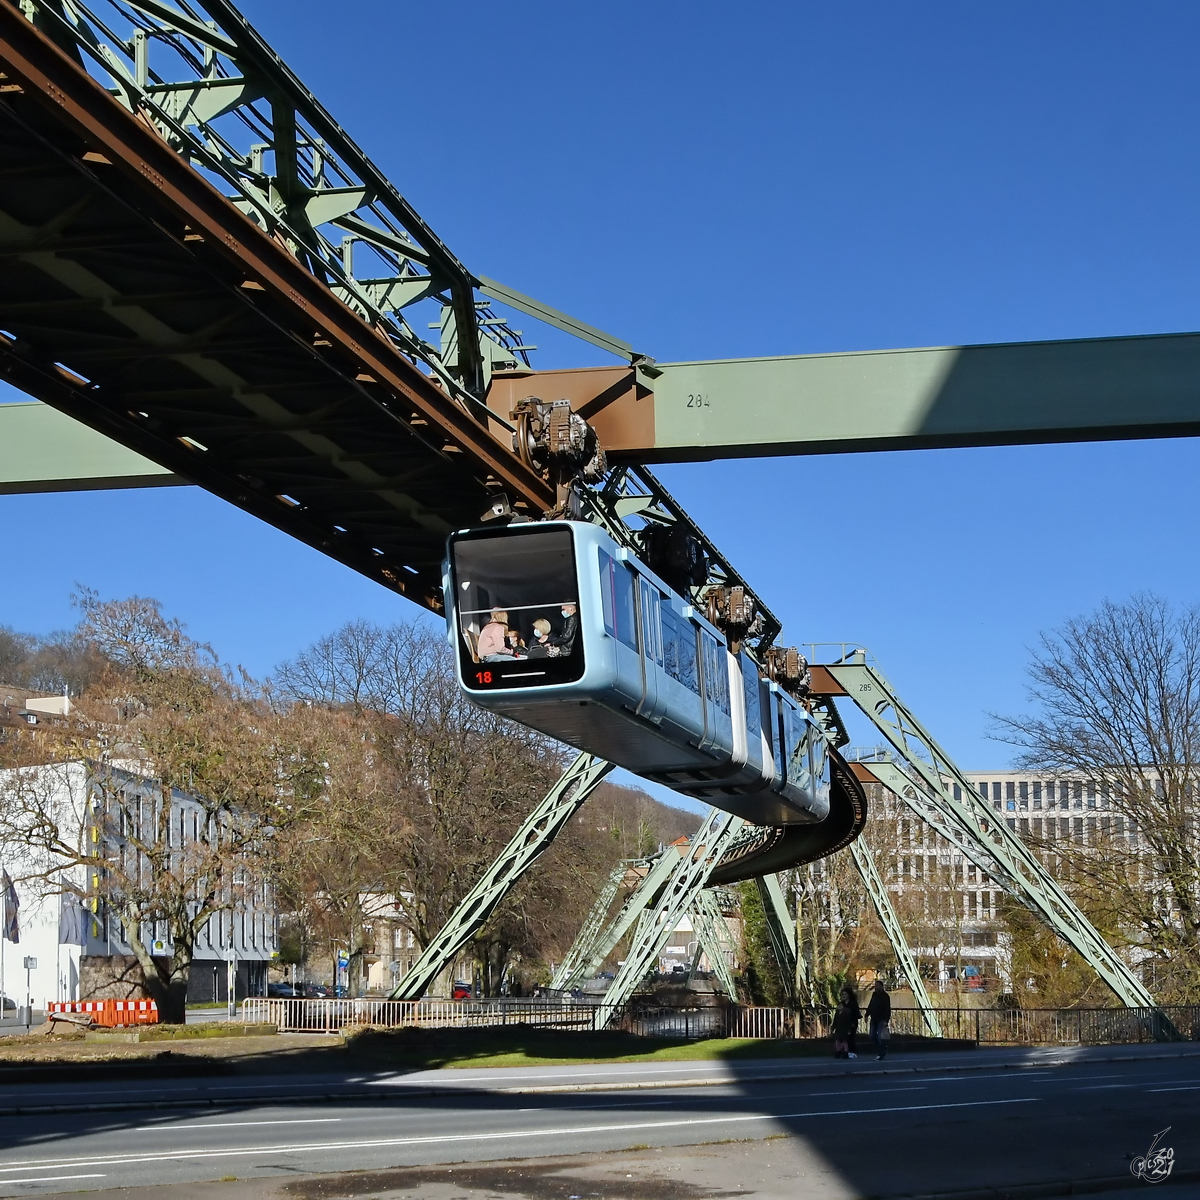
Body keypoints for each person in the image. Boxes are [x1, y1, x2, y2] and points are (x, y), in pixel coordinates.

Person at [831, 984, 861, 1059]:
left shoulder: (853, 1003)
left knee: (850, 1037)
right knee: (841, 1038)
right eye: (843, 994)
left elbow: (855, 1013)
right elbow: (837, 1015)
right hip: (842, 1023)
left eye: (845, 994)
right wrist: (834, 1025)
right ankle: (842, 1051)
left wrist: (853, 1023)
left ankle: (850, 1051)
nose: (844, 996)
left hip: (851, 1023)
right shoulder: (841, 1004)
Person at [866, 979, 891, 1060]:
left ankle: (881, 1053)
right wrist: (867, 1014)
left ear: (881, 986)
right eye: (875, 986)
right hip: (874, 1018)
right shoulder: (874, 995)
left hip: (881, 1019)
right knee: (872, 1035)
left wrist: (886, 1020)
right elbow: (871, 1005)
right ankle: (883, 1048)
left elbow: (887, 1009)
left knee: (880, 1036)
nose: (876, 987)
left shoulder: (885, 996)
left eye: (878, 986)